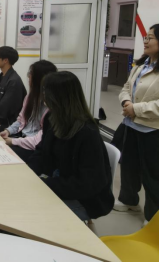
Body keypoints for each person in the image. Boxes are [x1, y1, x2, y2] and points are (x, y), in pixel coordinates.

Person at [28, 71, 114, 221]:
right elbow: (41, 151)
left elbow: (89, 184)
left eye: (46, 91)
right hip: (58, 185)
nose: (43, 96)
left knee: (25, 214)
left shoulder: (87, 133)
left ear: (58, 96)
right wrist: (28, 173)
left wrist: (45, 184)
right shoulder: (52, 118)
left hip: (85, 200)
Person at [114, 24, 159, 223]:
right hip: (131, 124)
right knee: (129, 166)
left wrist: (136, 108)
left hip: (154, 130)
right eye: (146, 37)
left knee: (153, 174)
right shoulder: (143, 65)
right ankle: (129, 200)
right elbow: (126, 87)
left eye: (150, 38)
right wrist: (126, 102)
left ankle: (154, 217)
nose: (146, 41)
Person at [0, 60, 57, 161]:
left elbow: (39, 141)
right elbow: (21, 120)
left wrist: (12, 141)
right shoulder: (31, 97)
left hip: (34, 148)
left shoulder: (51, 106)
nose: (28, 77)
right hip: (22, 138)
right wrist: (8, 131)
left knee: (1, 154)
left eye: (30, 74)